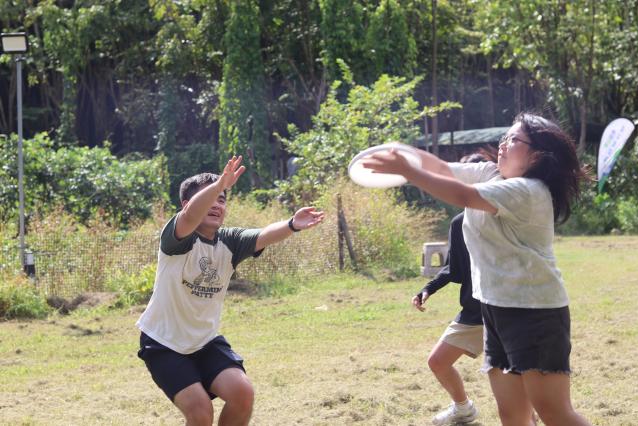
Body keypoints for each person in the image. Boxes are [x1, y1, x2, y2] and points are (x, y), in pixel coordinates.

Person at [364, 113, 590, 426]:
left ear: (537, 155)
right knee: (512, 415)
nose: (503, 144)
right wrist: (404, 152)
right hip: (495, 309)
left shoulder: (528, 191)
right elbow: (442, 169)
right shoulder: (491, 173)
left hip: (535, 313)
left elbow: (463, 195)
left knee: (555, 413)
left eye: (514, 139)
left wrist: (408, 171)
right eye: (505, 137)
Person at [136, 155, 324, 426]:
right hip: (163, 343)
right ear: (187, 204)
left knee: (242, 393)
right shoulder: (177, 238)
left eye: (222, 200)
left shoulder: (230, 241)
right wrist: (218, 186)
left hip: (204, 341)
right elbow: (190, 217)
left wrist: (291, 225)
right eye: (211, 198)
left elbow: (263, 235)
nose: (217, 204)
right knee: (200, 412)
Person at [412, 153, 488, 426]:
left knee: (513, 373)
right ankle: (463, 408)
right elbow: (454, 268)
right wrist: (428, 288)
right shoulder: (459, 223)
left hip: (507, 307)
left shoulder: (505, 218)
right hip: (474, 310)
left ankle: (529, 416)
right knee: (437, 361)